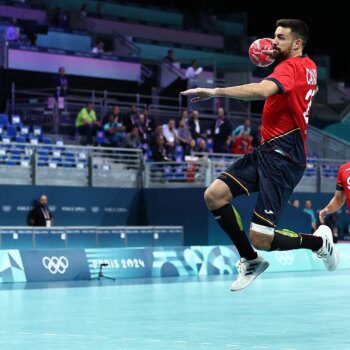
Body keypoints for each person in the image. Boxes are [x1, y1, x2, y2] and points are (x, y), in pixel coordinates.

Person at [181, 19, 339, 291]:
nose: (274, 42)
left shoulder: (291, 67)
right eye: (274, 36)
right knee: (214, 195)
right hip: (267, 150)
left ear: (297, 43)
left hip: (284, 158)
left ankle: (319, 243)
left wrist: (215, 91)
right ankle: (250, 260)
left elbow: (263, 90)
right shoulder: (308, 65)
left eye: (281, 37)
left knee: (261, 237)